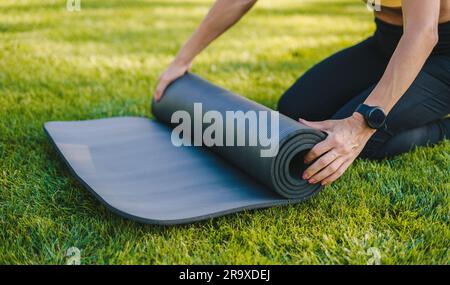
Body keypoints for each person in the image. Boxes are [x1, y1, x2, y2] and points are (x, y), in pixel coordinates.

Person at [154, 0, 450, 186]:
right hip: (385, 43)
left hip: (442, 54)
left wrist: (361, 123)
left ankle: (444, 128)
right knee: (296, 108)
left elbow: (423, 33)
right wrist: (182, 60)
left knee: (363, 142)